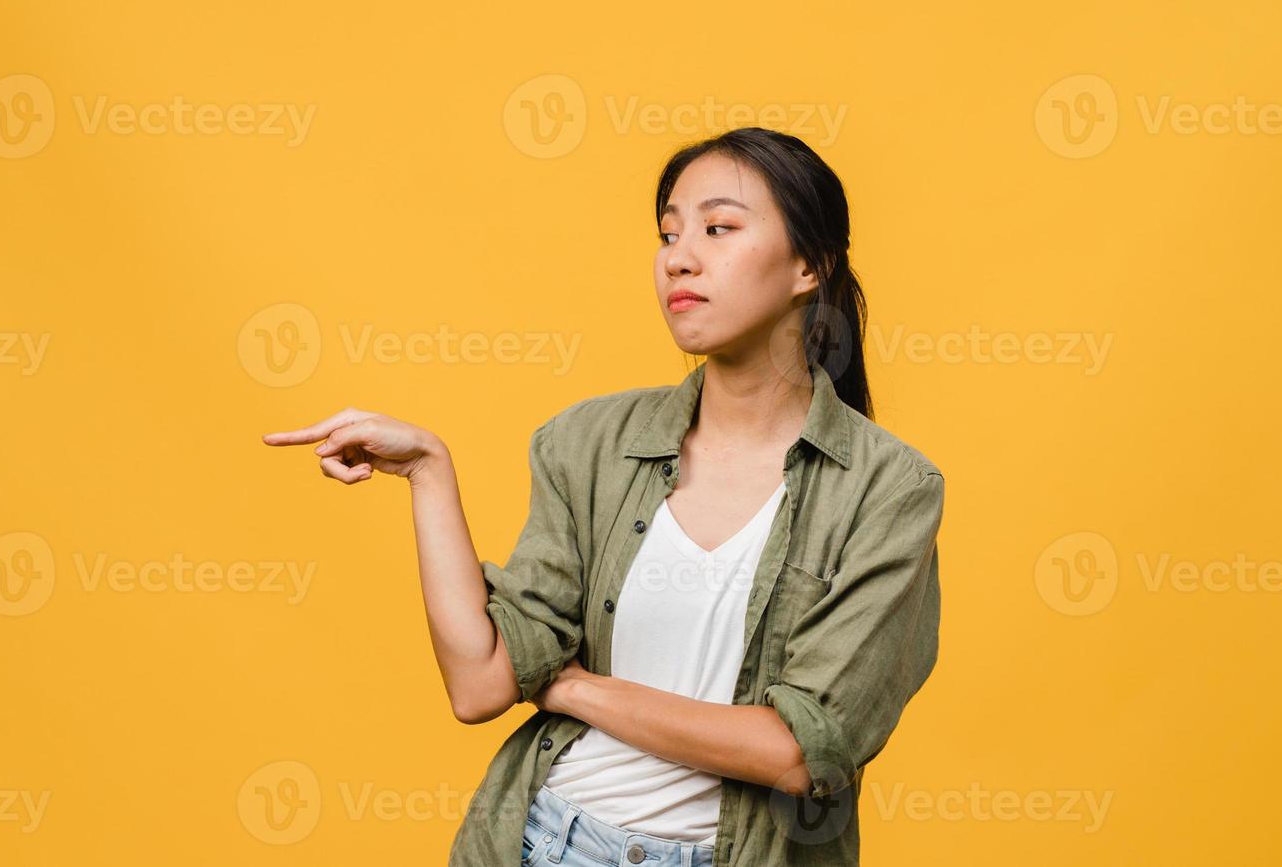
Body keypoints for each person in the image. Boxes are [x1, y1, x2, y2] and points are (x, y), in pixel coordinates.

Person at [262, 127, 946, 866]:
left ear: (809, 264)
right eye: (668, 233)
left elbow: (799, 752)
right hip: (546, 841)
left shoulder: (889, 491)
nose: (679, 256)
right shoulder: (589, 442)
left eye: (718, 228)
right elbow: (481, 682)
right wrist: (430, 471)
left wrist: (575, 689)